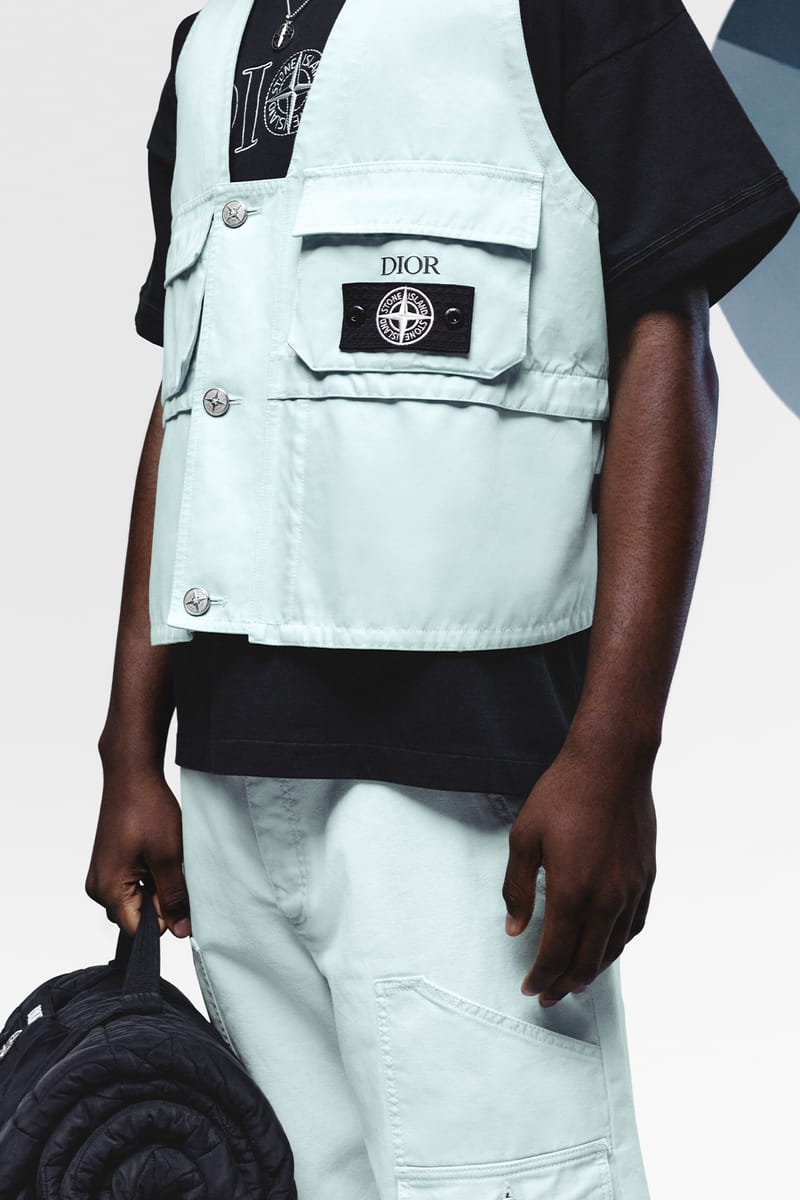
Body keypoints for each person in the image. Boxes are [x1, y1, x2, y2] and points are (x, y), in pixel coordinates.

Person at [86, 2, 798, 1197]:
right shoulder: (210, 44)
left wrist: (613, 752)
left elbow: (664, 345)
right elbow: (191, 404)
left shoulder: (569, 14)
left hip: (465, 791)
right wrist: (128, 754)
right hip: (227, 795)